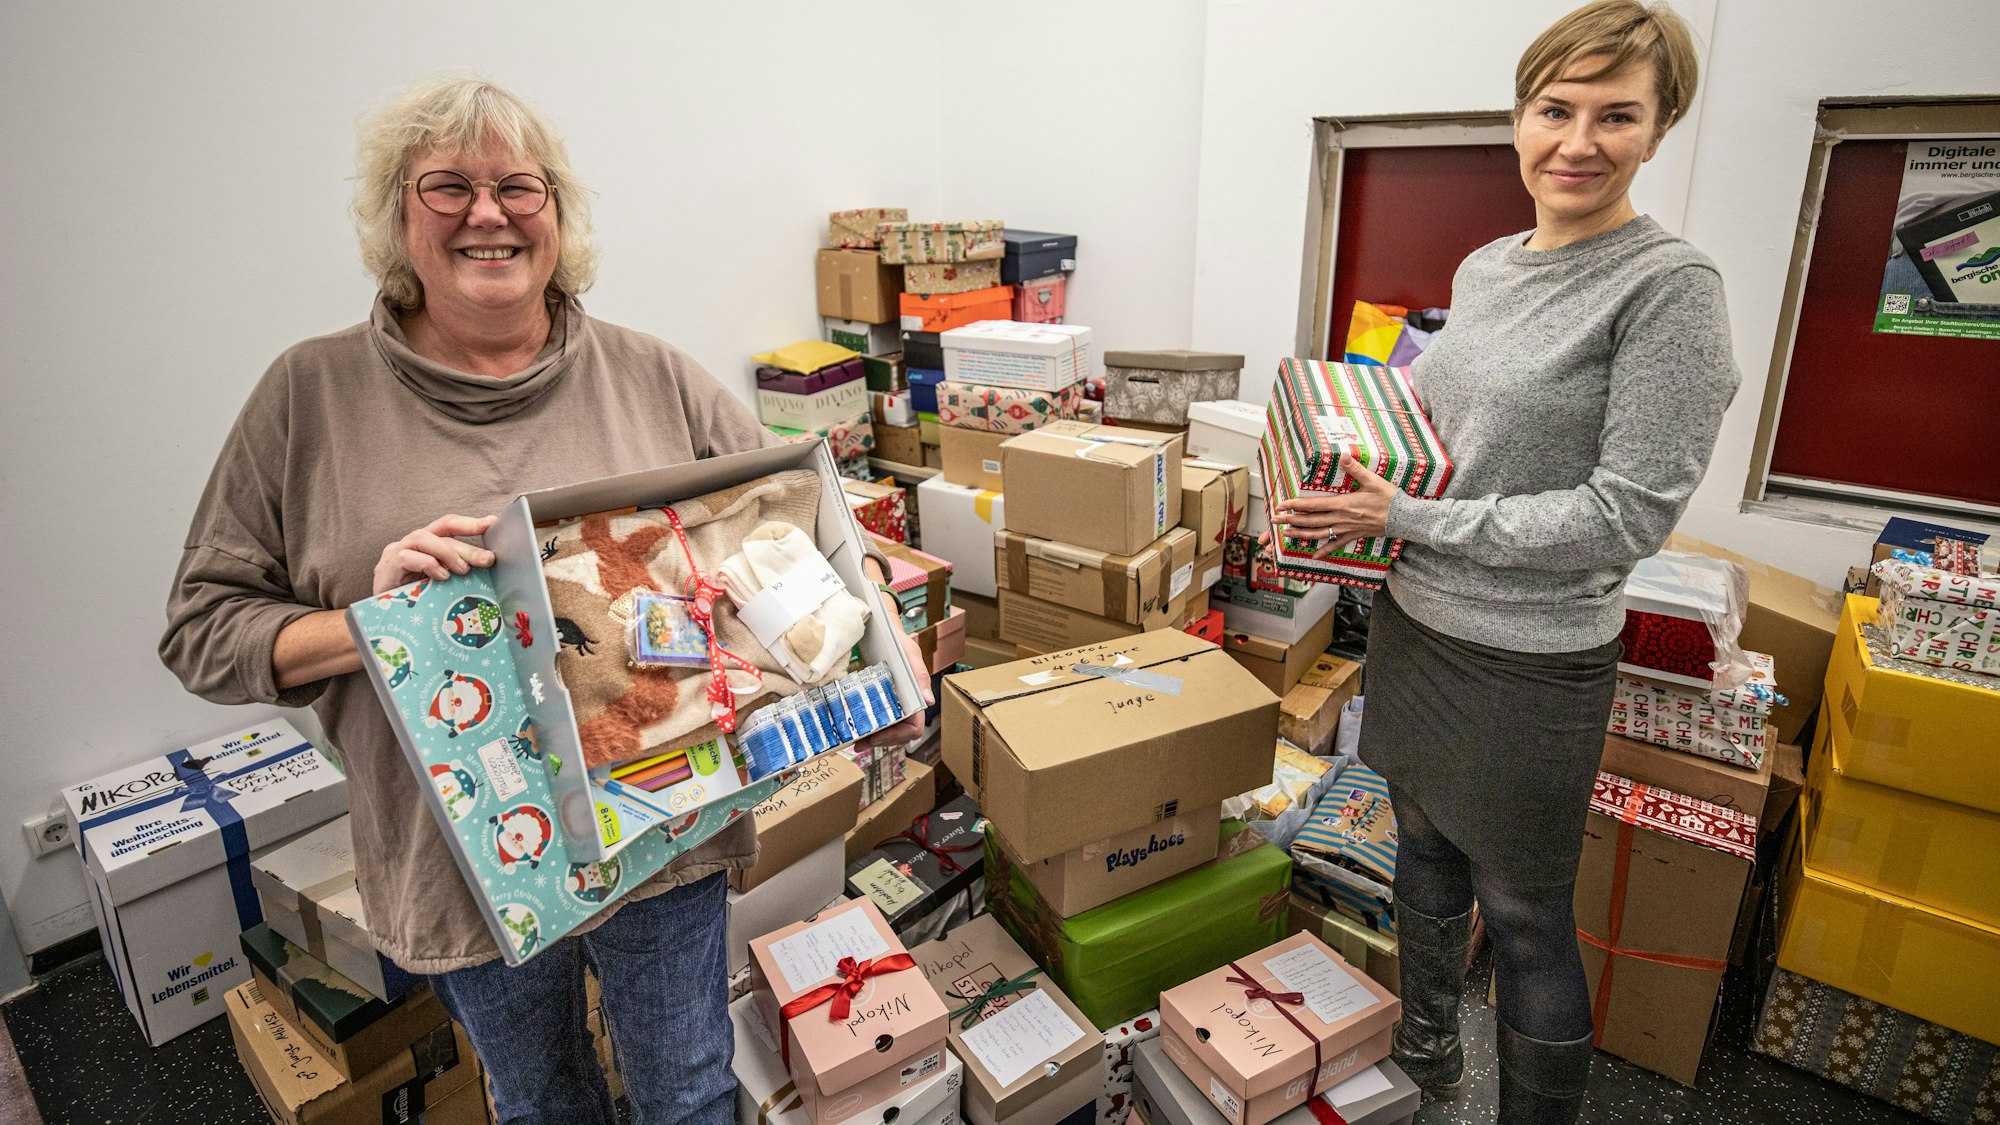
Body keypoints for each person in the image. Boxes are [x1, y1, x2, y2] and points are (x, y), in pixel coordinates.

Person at [161, 77, 922, 1125]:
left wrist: (879, 621)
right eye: (448, 186)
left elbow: (800, 534)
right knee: (540, 1103)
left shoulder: (652, 377)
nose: (488, 211)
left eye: (519, 186)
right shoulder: (308, 397)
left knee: (690, 1092)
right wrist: (375, 627)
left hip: (667, 821)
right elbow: (202, 627)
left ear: (557, 217)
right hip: (465, 857)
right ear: (397, 215)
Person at [1269, 3, 1737, 1122]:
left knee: (1525, 915)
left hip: (1530, 660)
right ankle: (1430, 1064)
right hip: (1417, 623)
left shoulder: (1667, 290)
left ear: (1658, 128)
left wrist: (1411, 519)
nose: (1577, 141)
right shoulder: (1485, 266)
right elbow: (1443, 450)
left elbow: (1623, 516)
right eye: (1554, 109)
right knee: (1420, 843)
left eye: (1614, 114)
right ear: (1517, 118)